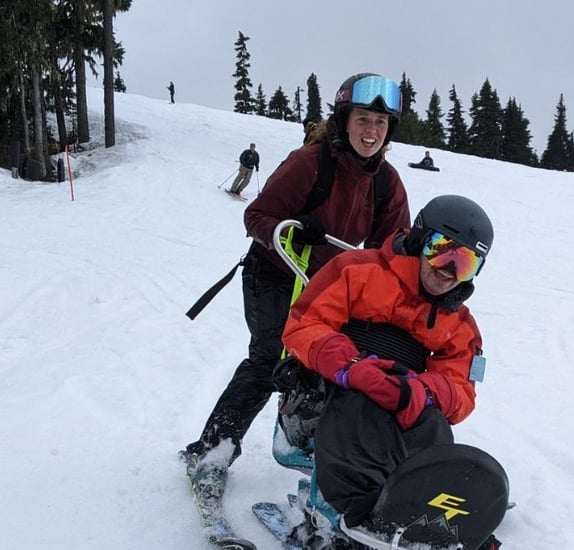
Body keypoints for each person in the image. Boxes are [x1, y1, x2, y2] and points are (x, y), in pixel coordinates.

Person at [183, 73, 410, 484]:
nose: (371, 131)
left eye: (380, 123)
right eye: (362, 120)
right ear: (344, 120)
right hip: (273, 274)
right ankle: (211, 451)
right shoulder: (311, 163)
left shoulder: (386, 183)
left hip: (326, 287)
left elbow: (392, 248)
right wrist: (287, 230)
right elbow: (256, 216)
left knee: (332, 365)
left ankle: (317, 453)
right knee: (270, 360)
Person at [281, 195, 500, 548]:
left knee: (432, 424)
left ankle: (429, 513)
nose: (448, 272)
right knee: (362, 406)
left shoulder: (460, 324)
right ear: (418, 239)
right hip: (325, 390)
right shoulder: (358, 270)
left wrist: (421, 391)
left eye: (464, 264)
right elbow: (304, 326)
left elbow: (461, 392)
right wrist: (351, 368)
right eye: (442, 251)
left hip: (396, 396)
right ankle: (351, 515)